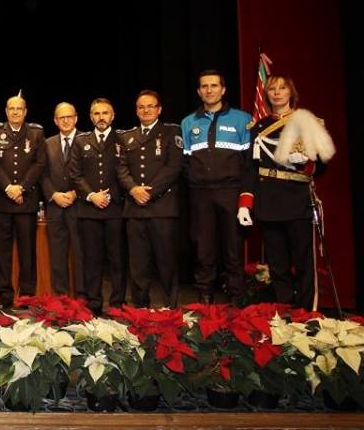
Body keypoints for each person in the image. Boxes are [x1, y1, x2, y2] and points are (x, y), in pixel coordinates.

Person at [237, 76, 334, 310]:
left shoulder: (307, 122)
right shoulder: (258, 127)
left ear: (291, 92)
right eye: (272, 89)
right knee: (277, 263)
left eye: (282, 88)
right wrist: (245, 203)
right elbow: (250, 167)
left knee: (303, 263)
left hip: (297, 199)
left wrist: (306, 163)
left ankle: (306, 313)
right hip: (269, 200)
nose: (277, 93)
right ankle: (285, 311)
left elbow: (322, 165)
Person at [180, 69, 251, 304]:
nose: (209, 90)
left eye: (214, 85)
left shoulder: (242, 119)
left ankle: (237, 298)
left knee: (233, 248)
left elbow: (249, 162)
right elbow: (186, 161)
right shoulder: (189, 122)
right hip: (200, 194)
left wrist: (244, 196)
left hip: (231, 192)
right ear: (199, 92)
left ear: (223, 89)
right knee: (204, 248)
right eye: (204, 86)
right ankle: (205, 297)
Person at [116, 90, 183, 308]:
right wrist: (134, 189)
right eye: (141, 107)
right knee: (138, 264)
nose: (146, 110)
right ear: (136, 110)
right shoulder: (127, 136)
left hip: (162, 207)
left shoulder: (171, 132)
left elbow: (174, 167)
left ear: (159, 109)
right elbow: (121, 168)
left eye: (150, 106)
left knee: (167, 262)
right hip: (135, 209)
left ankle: (170, 306)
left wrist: (149, 192)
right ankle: (140, 307)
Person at [0, 95, 46, 308]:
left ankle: (27, 295)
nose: (15, 112)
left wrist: (21, 187)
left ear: (25, 111)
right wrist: (8, 187)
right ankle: (4, 294)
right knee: (3, 250)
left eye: (19, 109)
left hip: (26, 200)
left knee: (27, 251)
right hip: (2, 200)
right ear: (6, 111)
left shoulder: (36, 133)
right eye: (11, 108)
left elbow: (39, 164)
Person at [67, 98, 126, 315]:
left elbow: (126, 172)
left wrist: (110, 196)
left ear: (112, 116)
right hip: (89, 210)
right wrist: (92, 195)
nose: (101, 117)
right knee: (91, 260)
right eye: (97, 113)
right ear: (91, 117)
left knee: (117, 259)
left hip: (115, 210)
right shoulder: (81, 141)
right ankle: (94, 303)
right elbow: (75, 174)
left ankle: (118, 303)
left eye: (105, 113)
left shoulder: (123, 140)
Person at [41, 102, 84, 297]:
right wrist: (54, 194)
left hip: (80, 204)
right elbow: (42, 174)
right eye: (61, 117)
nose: (65, 120)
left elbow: (90, 172)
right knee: (57, 254)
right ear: (55, 121)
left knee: (81, 252)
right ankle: (61, 296)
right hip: (55, 205)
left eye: (69, 116)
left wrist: (76, 192)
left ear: (76, 118)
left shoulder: (86, 140)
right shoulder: (47, 143)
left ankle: (82, 295)